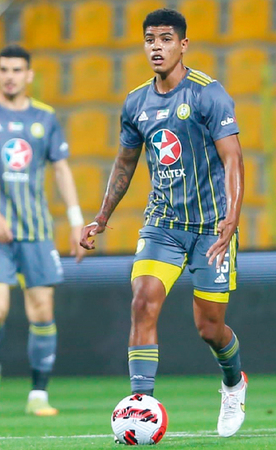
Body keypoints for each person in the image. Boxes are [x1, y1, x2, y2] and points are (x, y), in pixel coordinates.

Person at [79, 9, 247, 437]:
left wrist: (232, 216)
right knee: (142, 301)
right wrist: (101, 217)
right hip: (163, 224)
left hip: (211, 227)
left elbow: (233, 158)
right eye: (150, 39)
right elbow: (125, 163)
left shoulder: (209, 94)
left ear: (183, 45)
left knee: (209, 328)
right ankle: (140, 405)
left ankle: (233, 383)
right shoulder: (136, 103)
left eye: (166, 39)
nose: (157, 47)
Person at [0, 44, 86, 416]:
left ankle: (38, 396)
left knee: (42, 310)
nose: (10, 76)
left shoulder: (45, 117)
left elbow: (61, 169)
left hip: (37, 230)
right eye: (4, 69)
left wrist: (76, 220)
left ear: (29, 75)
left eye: (17, 70)